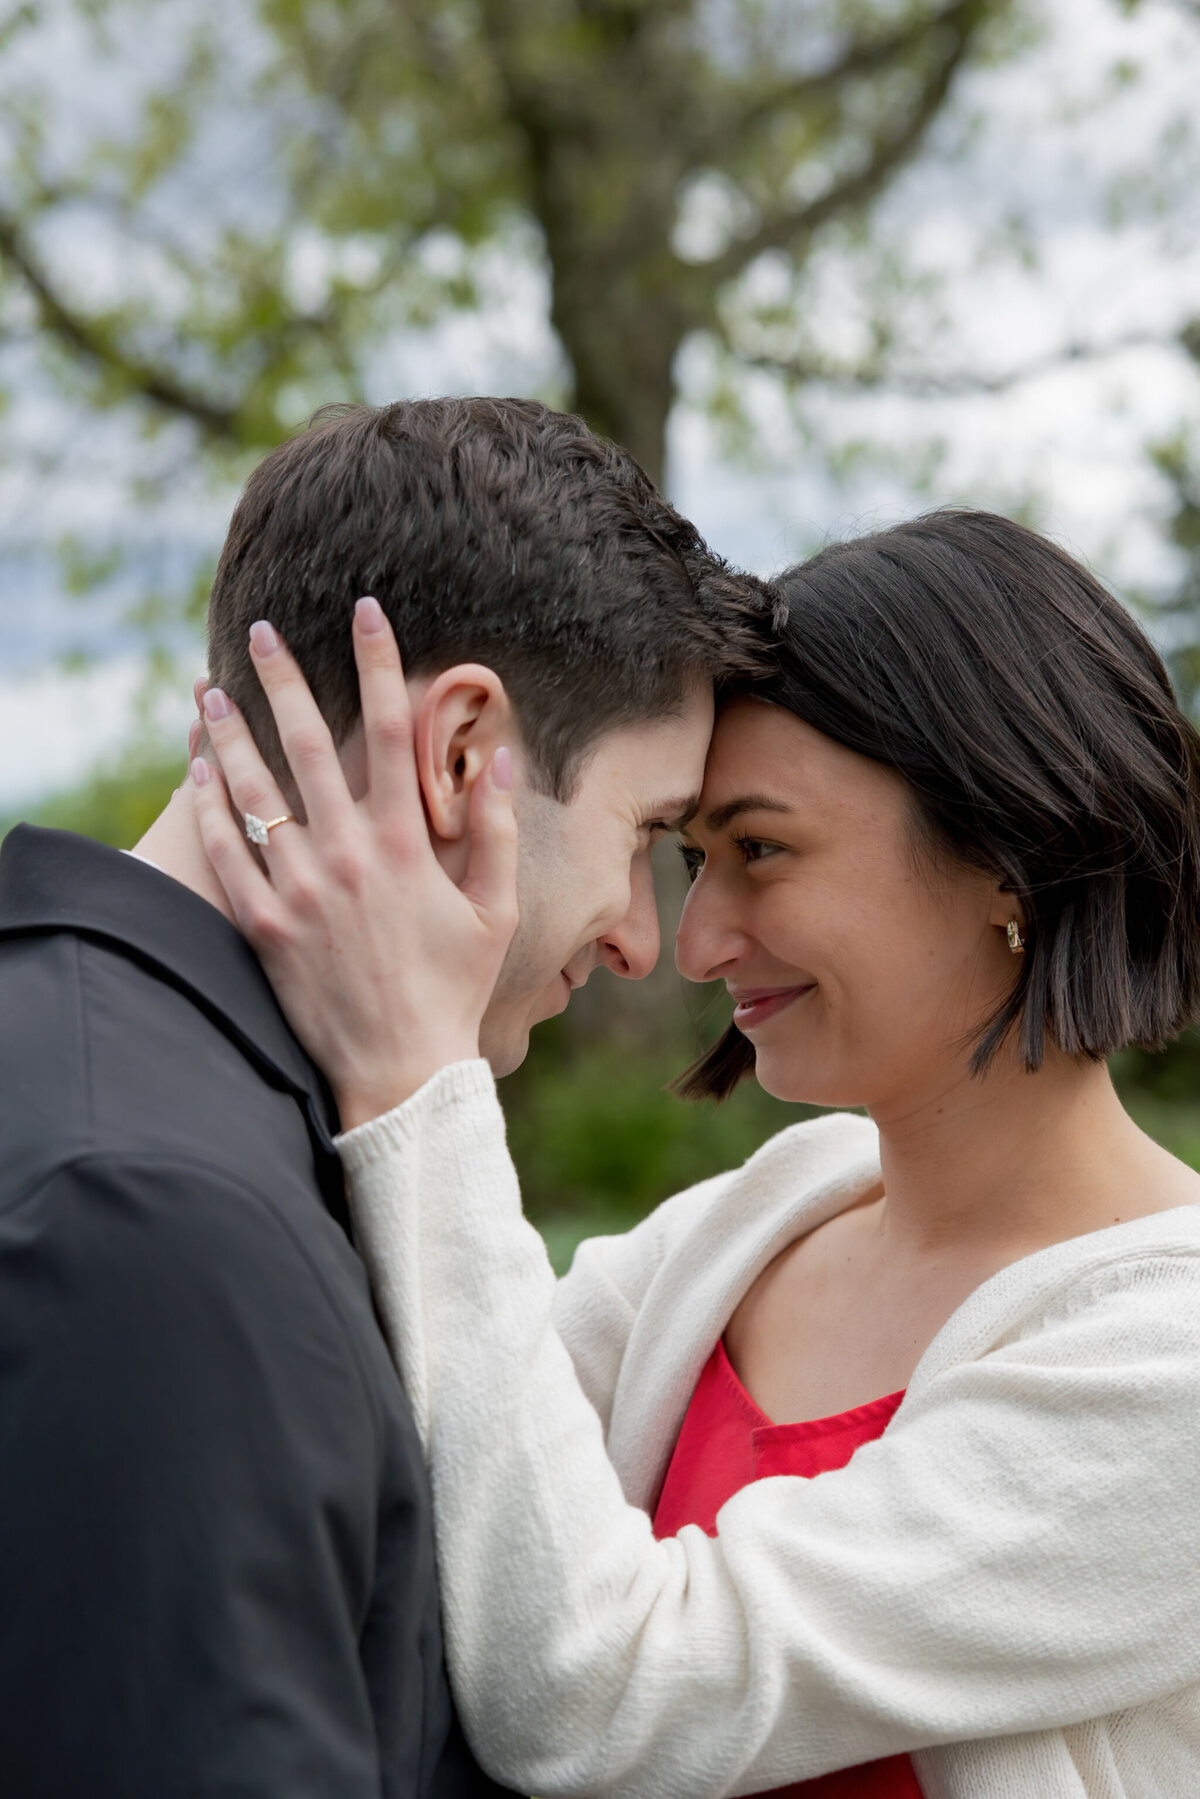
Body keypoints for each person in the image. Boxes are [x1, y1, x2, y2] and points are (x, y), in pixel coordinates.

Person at [195, 507, 1200, 1799]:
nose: (698, 939)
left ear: (1015, 858)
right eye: (689, 857)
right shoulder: (751, 1227)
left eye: (762, 853)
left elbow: (599, 1695)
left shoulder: (1167, 1360)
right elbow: (430, 1469)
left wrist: (414, 1071)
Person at [0, 396, 772, 1796]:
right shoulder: (158, 1219)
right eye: (649, 836)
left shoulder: (151, 1090)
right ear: (460, 752)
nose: (644, 940)